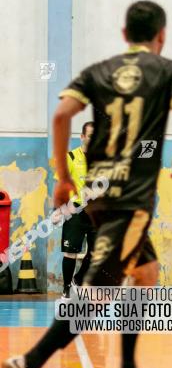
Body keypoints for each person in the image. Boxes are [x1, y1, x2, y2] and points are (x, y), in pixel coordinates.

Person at [1, 0, 172, 368]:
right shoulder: (170, 70)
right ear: (161, 35)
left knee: (146, 274)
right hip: (131, 201)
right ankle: (28, 364)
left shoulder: (98, 70)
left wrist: (63, 177)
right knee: (97, 292)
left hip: (100, 193)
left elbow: (61, 115)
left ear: (123, 34)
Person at [58, 121, 97, 298]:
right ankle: (67, 288)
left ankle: (78, 279)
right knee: (71, 251)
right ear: (82, 137)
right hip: (75, 210)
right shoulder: (71, 157)